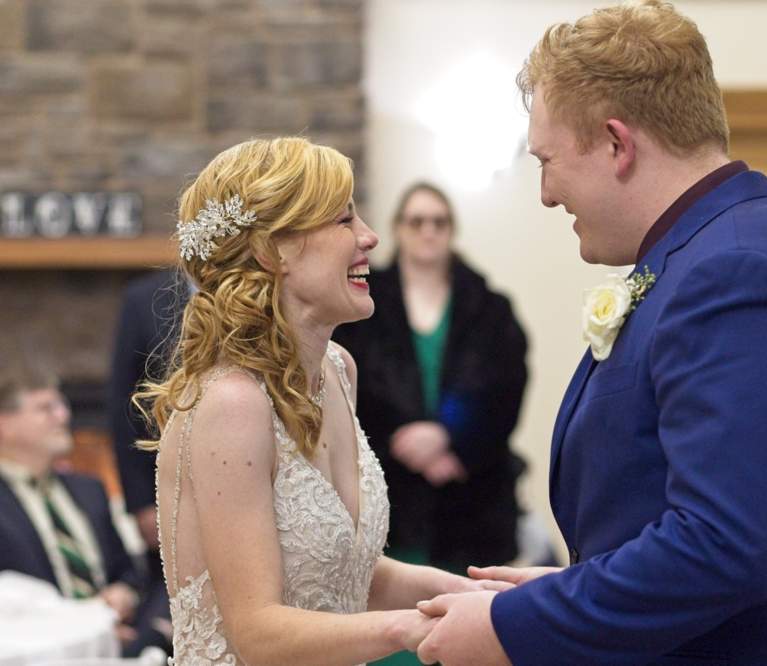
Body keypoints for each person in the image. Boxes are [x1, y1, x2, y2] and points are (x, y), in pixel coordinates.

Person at [414, 2, 767, 664]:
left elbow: (723, 548)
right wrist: (573, 592)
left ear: (618, 144)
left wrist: (516, 625)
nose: (545, 192)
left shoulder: (739, 271)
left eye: (547, 160)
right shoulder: (715, 249)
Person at [133, 137, 508, 665]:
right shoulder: (231, 403)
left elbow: (351, 575)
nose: (370, 238)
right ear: (272, 250)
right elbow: (258, 635)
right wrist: (413, 629)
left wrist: (482, 599)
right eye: (343, 221)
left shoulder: (337, 370)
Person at [333, 182, 528, 574]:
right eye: (417, 221)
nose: (428, 231)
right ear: (398, 228)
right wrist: (400, 441)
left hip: (470, 495)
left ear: (451, 230)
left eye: (439, 222)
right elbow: (348, 386)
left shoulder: (490, 307)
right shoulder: (360, 304)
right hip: (389, 491)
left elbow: (505, 389)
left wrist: (449, 438)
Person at [0, 358, 161, 655]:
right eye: (45, 408)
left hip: (123, 642)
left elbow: (128, 571)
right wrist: (85, 628)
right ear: (4, 424)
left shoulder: (90, 490)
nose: (63, 416)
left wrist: (125, 594)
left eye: (62, 405)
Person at [108, 267, 188, 654]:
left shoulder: (254, 286)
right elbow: (124, 403)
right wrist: (141, 502)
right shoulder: (144, 299)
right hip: (165, 483)